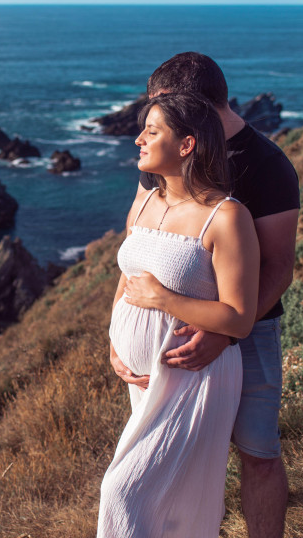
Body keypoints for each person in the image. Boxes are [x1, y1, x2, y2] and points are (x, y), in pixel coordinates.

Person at [110, 52, 300, 538]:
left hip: (246, 335)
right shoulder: (160, 167)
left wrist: (224, 335)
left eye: (161, 108)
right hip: (162, 358)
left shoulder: (267, 165)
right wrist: (116, 332)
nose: (149, 125)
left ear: (191, 109)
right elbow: (137, 242)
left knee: (257, 454)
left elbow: (278, 267)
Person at [97, 91, 260, 537]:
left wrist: (165, 299)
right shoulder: (145, 202)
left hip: (196, 378)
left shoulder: (227, 218)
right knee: (167, 502)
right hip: (144, 379)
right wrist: (115, 343)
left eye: (151, 131)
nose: (137, 140)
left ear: (186, 144)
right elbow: (126, 279)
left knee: (122, 492)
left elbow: (240, 318)